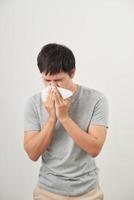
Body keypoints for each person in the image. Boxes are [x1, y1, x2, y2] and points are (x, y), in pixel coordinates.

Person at [24, 43, 109, 200]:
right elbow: (32, 153)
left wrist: (64, 118)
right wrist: (52, 118)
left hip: (88, 191)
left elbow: (94, 149)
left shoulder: (96, 99)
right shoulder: (34, 103)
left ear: (72, 73)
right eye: (47, 80)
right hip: (47, 191)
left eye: (58, 80)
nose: (53, 87)